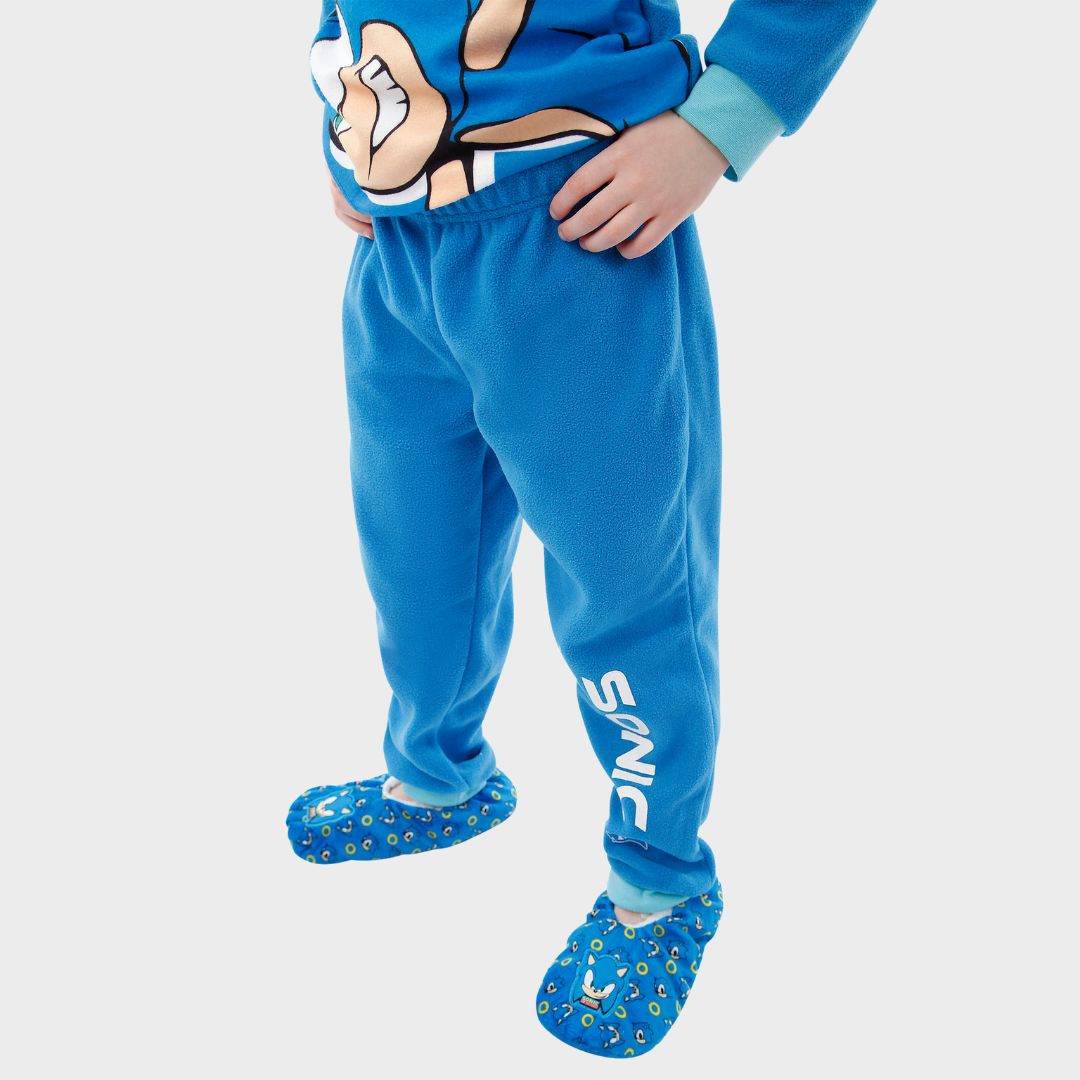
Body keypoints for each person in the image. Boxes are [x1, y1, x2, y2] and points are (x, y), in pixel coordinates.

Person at [287, 0, 875, 1058]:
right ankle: (437, 776)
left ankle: (660, 881)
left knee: (627, 589)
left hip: (576, 234)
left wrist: (719, 122)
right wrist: (347, 129)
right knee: (416, 560)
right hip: (399, 248)